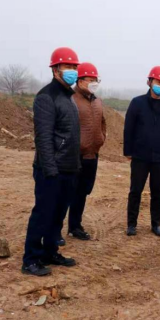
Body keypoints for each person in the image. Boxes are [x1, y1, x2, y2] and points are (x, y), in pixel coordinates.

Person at [22, 47, 81, 277]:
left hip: (68, 168)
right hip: (51, 170)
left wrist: (75, 166)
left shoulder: (68, 97)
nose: (72, 70)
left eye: (74, 67)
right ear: (55, 70)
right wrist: (50, 169)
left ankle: (50, 252)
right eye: (68, 66)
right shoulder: (46, 97)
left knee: (58, 215)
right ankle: (30, 259)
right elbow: (43, 138)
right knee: (43, 214)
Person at [123, 66, 160, 238]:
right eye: (158, 81)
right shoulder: (137, 103)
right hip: (140, 156)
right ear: (149, 82)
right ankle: (131, 224)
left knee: (157, 192)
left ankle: (156, 224)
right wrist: (128, 150)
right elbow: (128, 128)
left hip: (159, 158)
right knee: (135, 190)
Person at [67, 62, 107, 241]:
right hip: (74, 155)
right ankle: (55, 230)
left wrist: (101, 139)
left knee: (82, 192)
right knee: (67, 192)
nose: (93, 83)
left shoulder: (97, 101)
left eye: (95, 80)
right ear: (80, 80)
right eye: (90, 80)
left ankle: (75, 226)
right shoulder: (70, 99)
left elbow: (103, 122)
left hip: (92, 155)